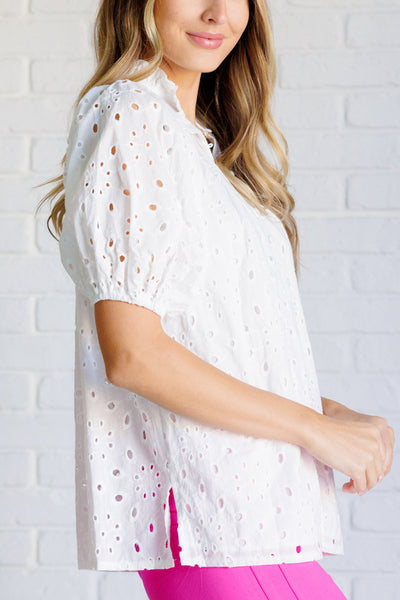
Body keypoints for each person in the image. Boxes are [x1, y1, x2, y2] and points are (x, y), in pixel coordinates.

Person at [35, 1, 395, 599]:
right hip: (215, 521)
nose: (217, 13)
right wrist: (312, 429)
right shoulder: (131, 113)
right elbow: (134, 356)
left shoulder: (201, 146)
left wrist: (326, 412)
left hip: (253, 523)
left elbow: (214, 346)